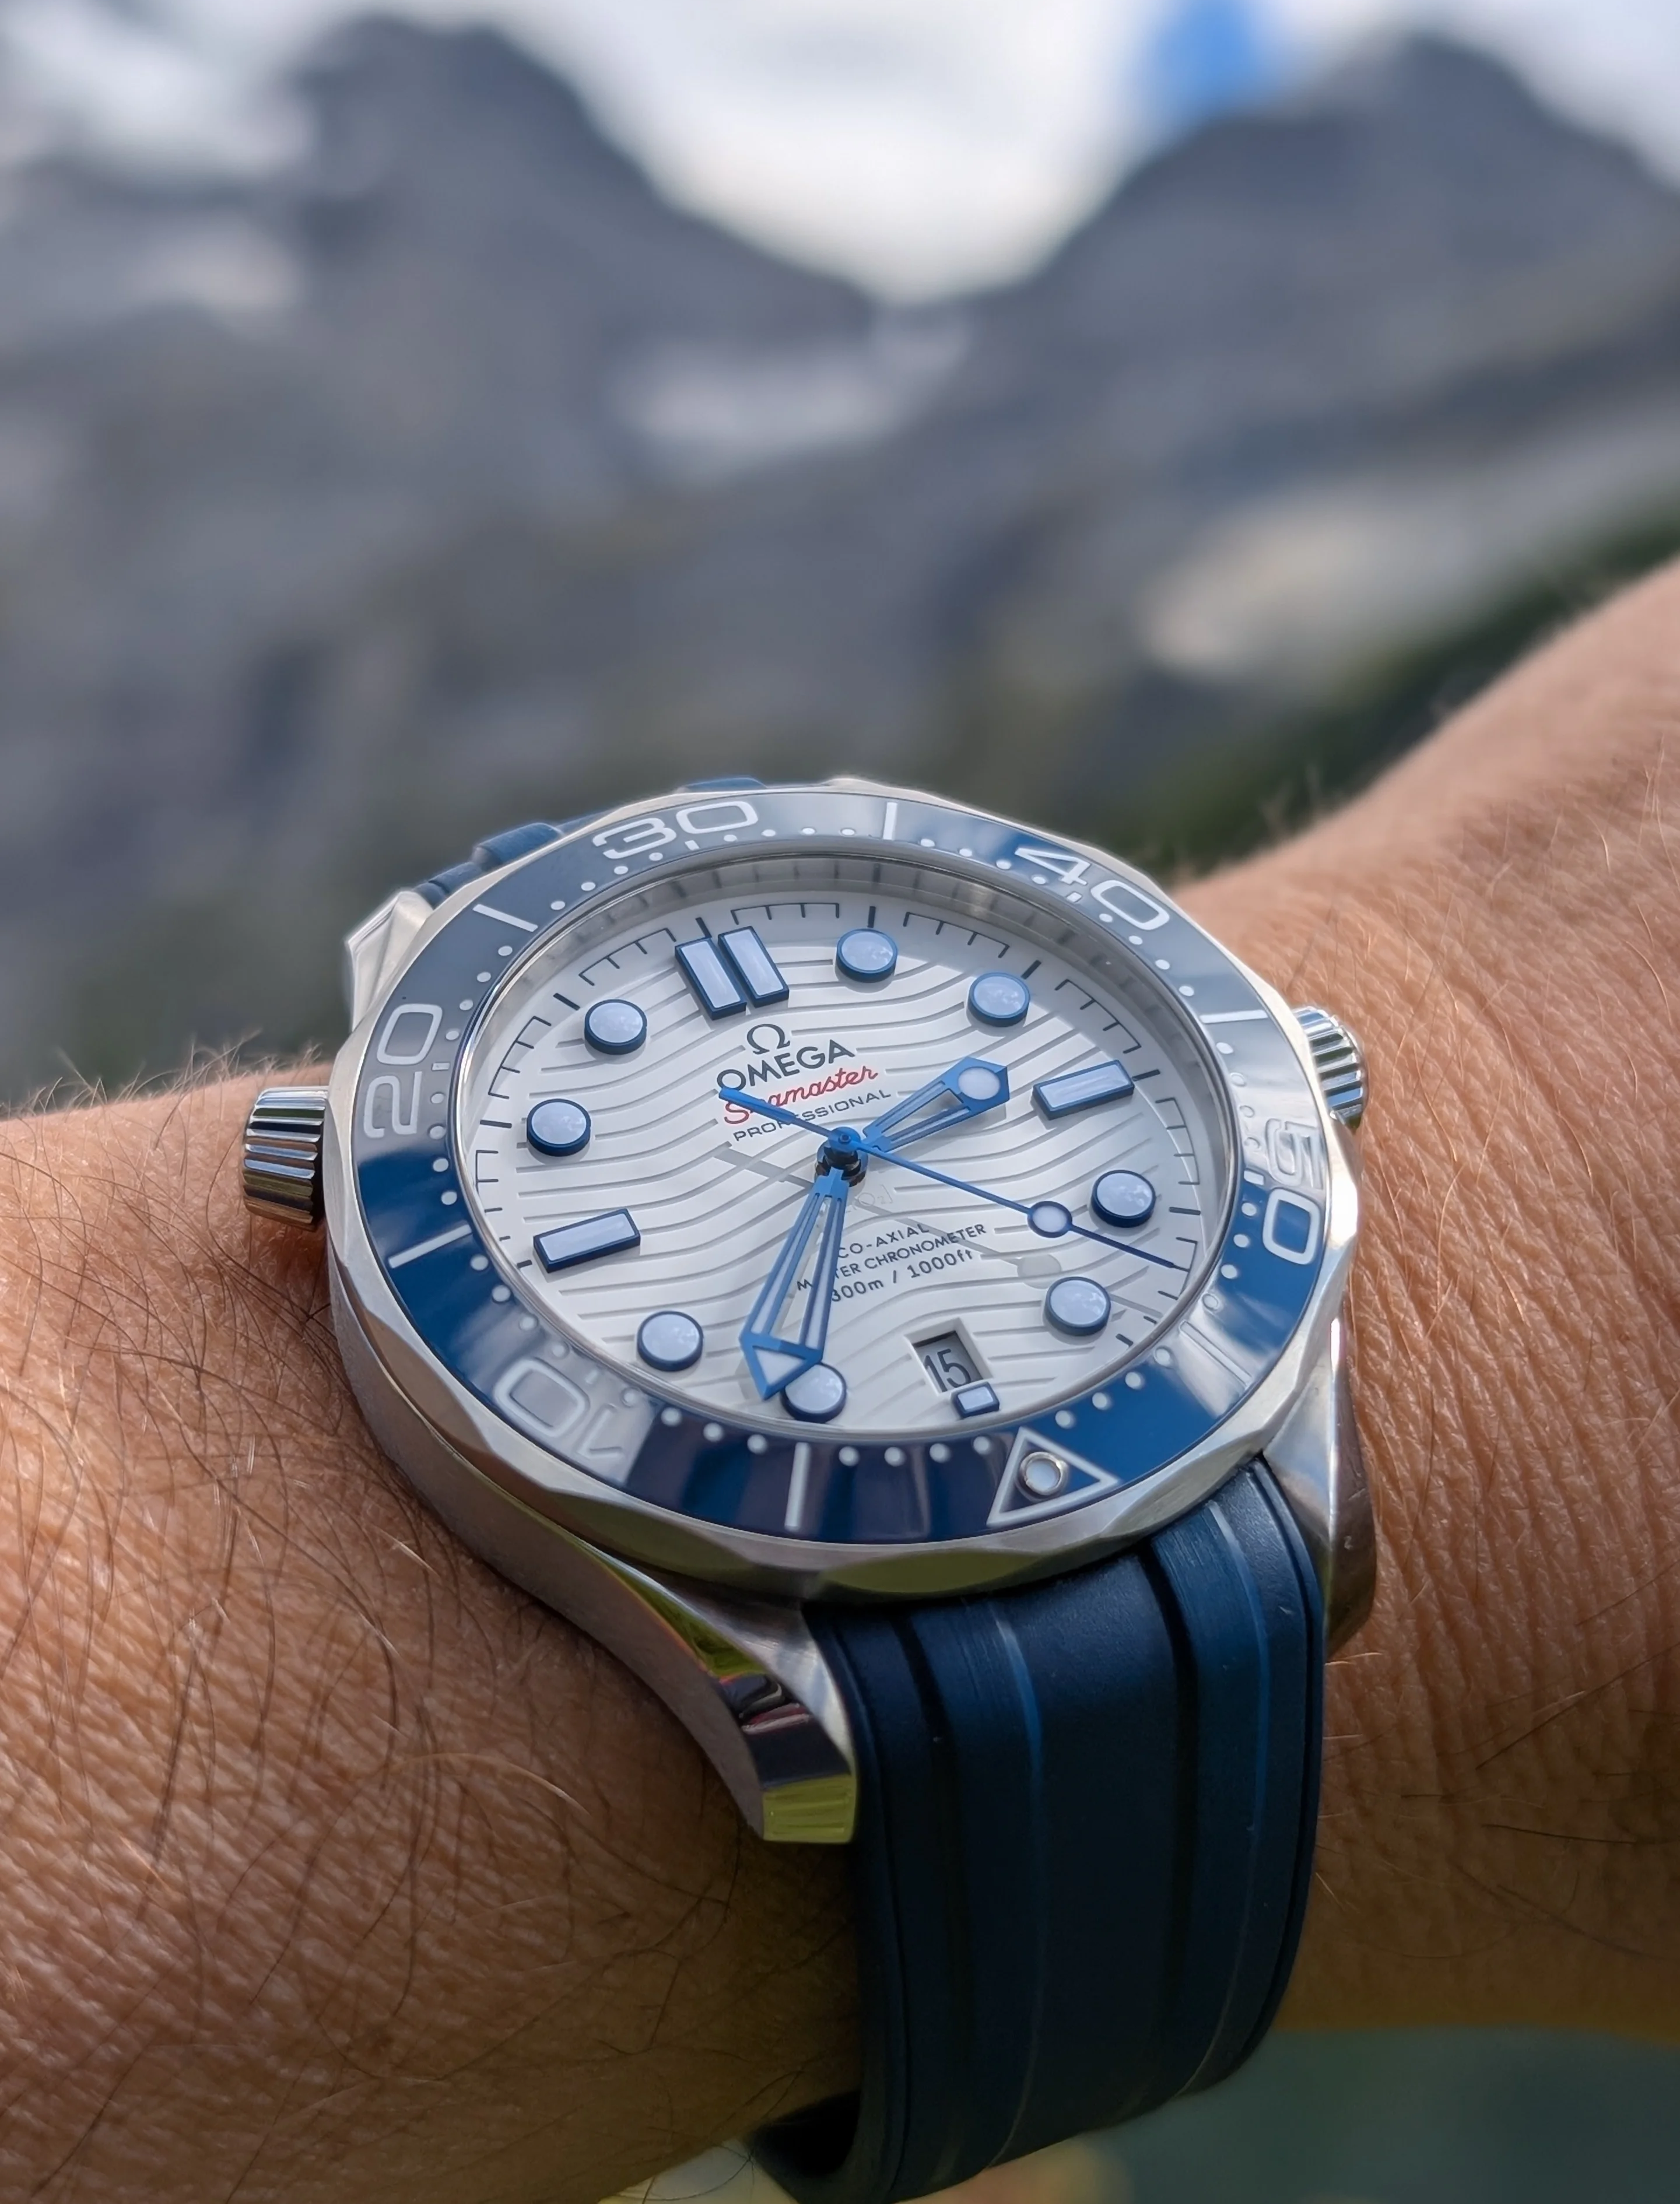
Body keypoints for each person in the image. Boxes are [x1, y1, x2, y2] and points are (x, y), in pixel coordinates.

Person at [2, 561, 1677, 2203]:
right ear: (312, 1167)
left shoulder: (1284, 1467)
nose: (843, 1151)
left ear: (1302, 1076)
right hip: (840, 1620)